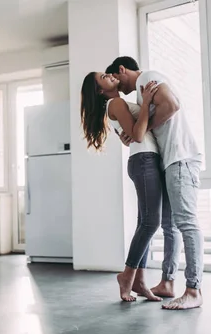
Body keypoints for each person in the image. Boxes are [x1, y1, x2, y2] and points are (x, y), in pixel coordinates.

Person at [106, 56, 204, 310]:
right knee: (169, 226)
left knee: (186, 223)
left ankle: (193, 289)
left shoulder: (147, 78)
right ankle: (168, 282)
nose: (117, 86)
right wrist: (139, 127)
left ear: (121, 69)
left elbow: (172, 105)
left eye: (116, 78)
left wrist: (144, 126)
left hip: (181, 157)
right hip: (168, 161)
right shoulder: (139, 97)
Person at [80, 71, 174, 302]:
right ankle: (127, 276)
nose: (110, 76)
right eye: (104, 77)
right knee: (151, 222)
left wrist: (144, 108)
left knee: (146, 222)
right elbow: (139, 135)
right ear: (100, 90)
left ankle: (139, 281)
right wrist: (147, 103)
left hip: (144, 161)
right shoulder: (117, 102)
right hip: (144, 162)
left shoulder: (116, 104)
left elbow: (132, 134)